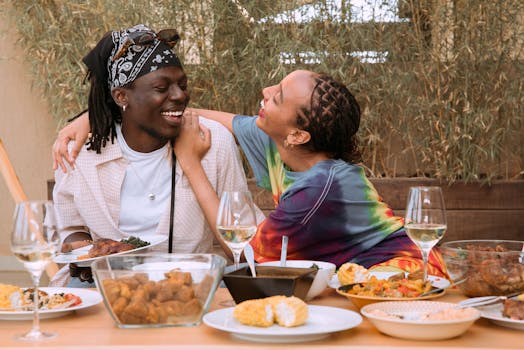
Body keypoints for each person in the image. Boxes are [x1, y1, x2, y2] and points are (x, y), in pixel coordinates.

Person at [53, 70, 446, 277]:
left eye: (277, 97)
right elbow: (190, 114)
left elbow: (250, 253)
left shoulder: (321, 188)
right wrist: (97, 116)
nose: (265, 90)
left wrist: (190, 163)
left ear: (297, 132)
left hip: (402, 277)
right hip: (355, 281)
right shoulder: (279, 145)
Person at [50, 24, 256, 287]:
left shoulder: (214, 142)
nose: (180, 95)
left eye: (182, 84)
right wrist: (86, 254)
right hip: (108, 286)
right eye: (162, 88)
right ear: (122, 95)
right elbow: (71, 230)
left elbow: (241, 243)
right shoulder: (80, 152)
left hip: (195, 286)